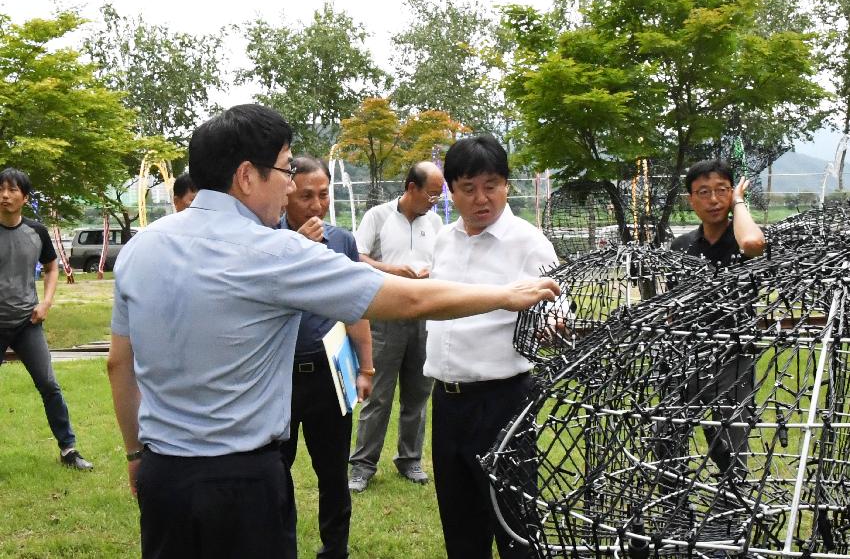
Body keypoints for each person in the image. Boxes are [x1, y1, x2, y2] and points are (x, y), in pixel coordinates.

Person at [106, 103, 559, 559]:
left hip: (161, 475)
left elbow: (118, 364)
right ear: (247, 176)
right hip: (240, 483)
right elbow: (412, 299)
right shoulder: (275, 252)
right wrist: (505, 295)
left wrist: (134, 456)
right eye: (285, 171)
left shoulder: (140, 248)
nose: (289, 186)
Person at [423, 135, 558, 559]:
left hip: (502, 403)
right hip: (447, 402)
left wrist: (554, 323)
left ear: (506, 185)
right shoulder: (444, 239)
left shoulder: (527, 241)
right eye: (468, 188)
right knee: (460, 522)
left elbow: (558, 304)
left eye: (492, 185)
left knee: (515, 522)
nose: (482, 199)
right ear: (451, 190)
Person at [279, 155, 373, 559]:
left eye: (323, 195)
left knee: (332, 472)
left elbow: (356, 307)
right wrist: (298, 246)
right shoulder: (268, 240)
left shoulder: (342, 241)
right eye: (305, 196)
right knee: (274, 471)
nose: (316, 206)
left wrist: (366, 366)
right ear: (285, 194)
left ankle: (335, 549)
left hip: (327, 374)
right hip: (278, 377)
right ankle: (278, 546)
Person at [663, 158, 765, 478]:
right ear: (691, 199)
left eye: (722, 190)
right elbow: (671, 305)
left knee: (731, 448)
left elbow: (753, 243)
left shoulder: (744, 241)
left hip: (734, 359)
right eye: (703, 192)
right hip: (686, 357)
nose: (713, 200)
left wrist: (739, 202)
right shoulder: (680, 247)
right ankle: (674, 510)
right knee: (668, 441)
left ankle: (732, 515)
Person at [348, 161, 445, 492]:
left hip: (424, 317)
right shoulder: (378, 216)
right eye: (430, 194)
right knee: (378, 394)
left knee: (418, 393)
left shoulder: (434, 222)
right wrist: (394, 271)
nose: (434, 200)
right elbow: (358, 258)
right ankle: (362, 465)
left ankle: (410, 458)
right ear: (411, 187)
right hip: (385, 317)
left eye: (438, 194)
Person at [0, 167, 93, 471]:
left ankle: (69, 450)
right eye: (1, 189)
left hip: (28, 322)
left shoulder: (36, 232)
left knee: (49, 385)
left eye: (12, 190)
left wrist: (47, 303)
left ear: (24, 197)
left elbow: (52, 267)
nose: (4, 195)